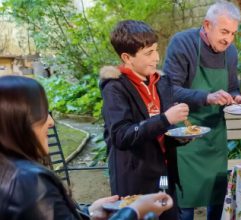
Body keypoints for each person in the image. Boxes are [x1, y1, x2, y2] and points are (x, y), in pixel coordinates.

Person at [0, 75, 173, 220]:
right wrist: (135, 211)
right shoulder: (30, 182)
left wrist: (88, 212)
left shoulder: (8, 173)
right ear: (18, 121)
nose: (51, 122)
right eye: (43, 114)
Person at [162, 2, 241, 219]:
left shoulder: (231, 53)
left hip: (215, 135)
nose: (228, 39)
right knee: (186, 202)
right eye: (224, 32)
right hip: (186, 135)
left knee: (217, 196)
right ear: (207, 25)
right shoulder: (183, 43)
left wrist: (236, 97)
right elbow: (170, 90)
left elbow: (231, 88)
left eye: (233, 33)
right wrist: (206, 97)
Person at [100, 20, 190, 219]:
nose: (157, 57)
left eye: (156, 50)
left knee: (167, 212)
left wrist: (180, 136)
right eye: (148, 53)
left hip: (163, 174)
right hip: (135, 178)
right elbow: (121, 136)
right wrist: (165, 119)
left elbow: (162, 131)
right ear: (127, 57)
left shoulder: (161, 81)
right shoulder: (115, 88)